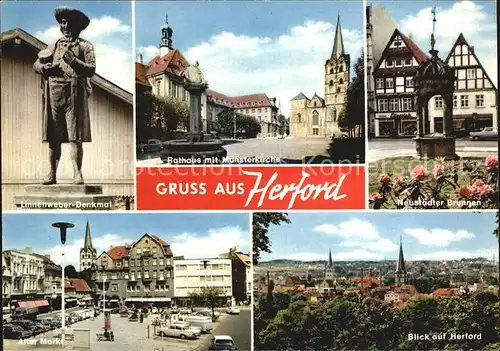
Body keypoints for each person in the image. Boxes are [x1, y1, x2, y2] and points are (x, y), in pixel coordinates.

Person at [33, 7, 95, 185]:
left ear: (76, 26)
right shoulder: (54, 45)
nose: (64, 27)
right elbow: (37, 63)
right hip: (54, 93)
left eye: (68, 23)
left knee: (75, 136)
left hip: (73, 95)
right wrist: (45, 68)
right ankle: (52, 173)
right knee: (54, 136)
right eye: (62, 23)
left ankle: (77, 173)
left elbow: (91, 69)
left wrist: (73, 61)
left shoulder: (85, 46)